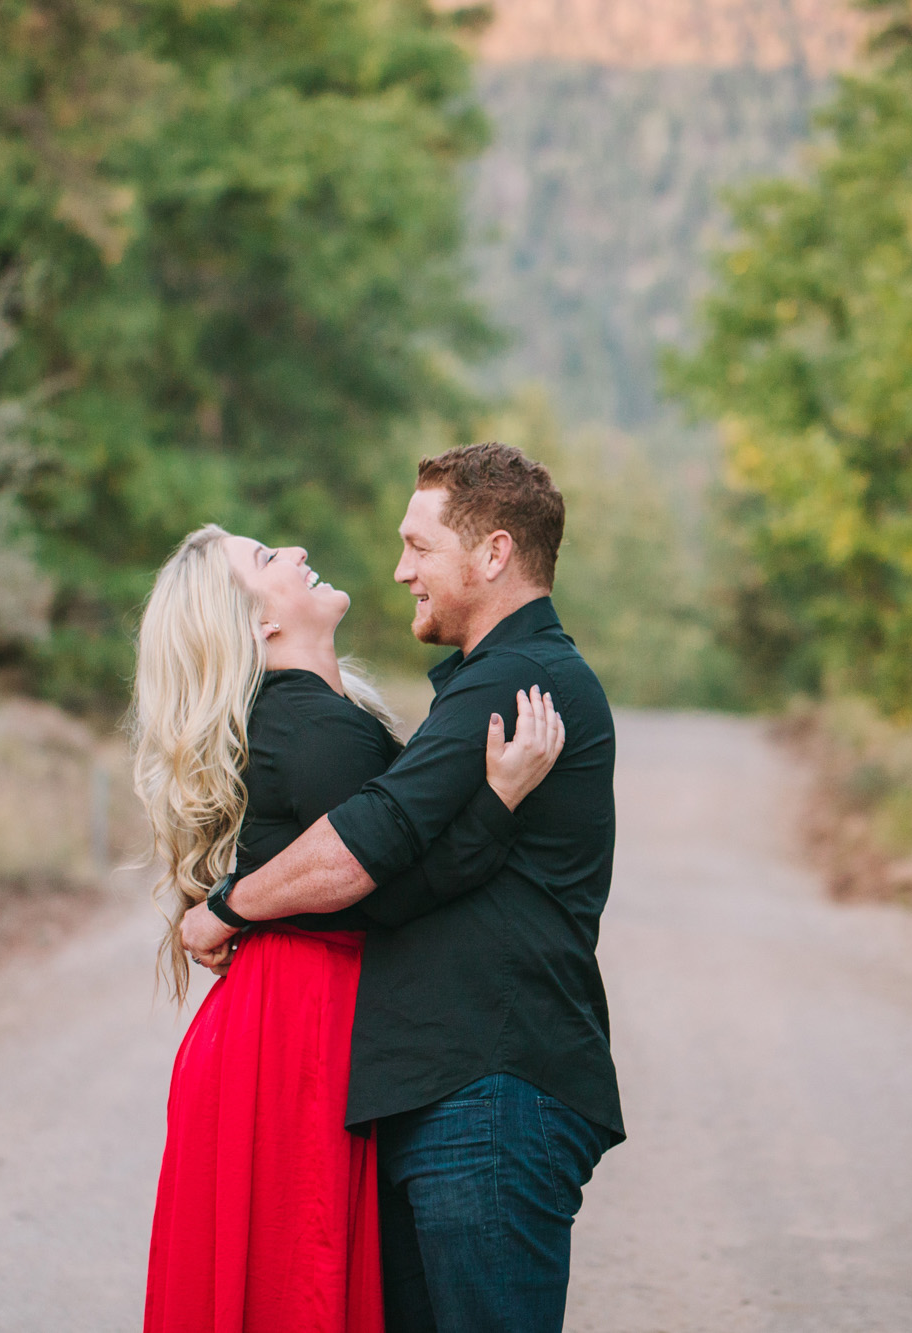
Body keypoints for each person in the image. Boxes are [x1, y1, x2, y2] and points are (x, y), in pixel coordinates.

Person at [180, 442, 621, 1333]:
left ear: (492, 554)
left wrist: (226, 906)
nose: (399, 570)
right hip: (450, 1093)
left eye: (419, 547)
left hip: (493, 1089)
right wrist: (492, 806)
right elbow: (402, 866)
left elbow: (365, 859)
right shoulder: (481, 685)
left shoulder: (518, 679)